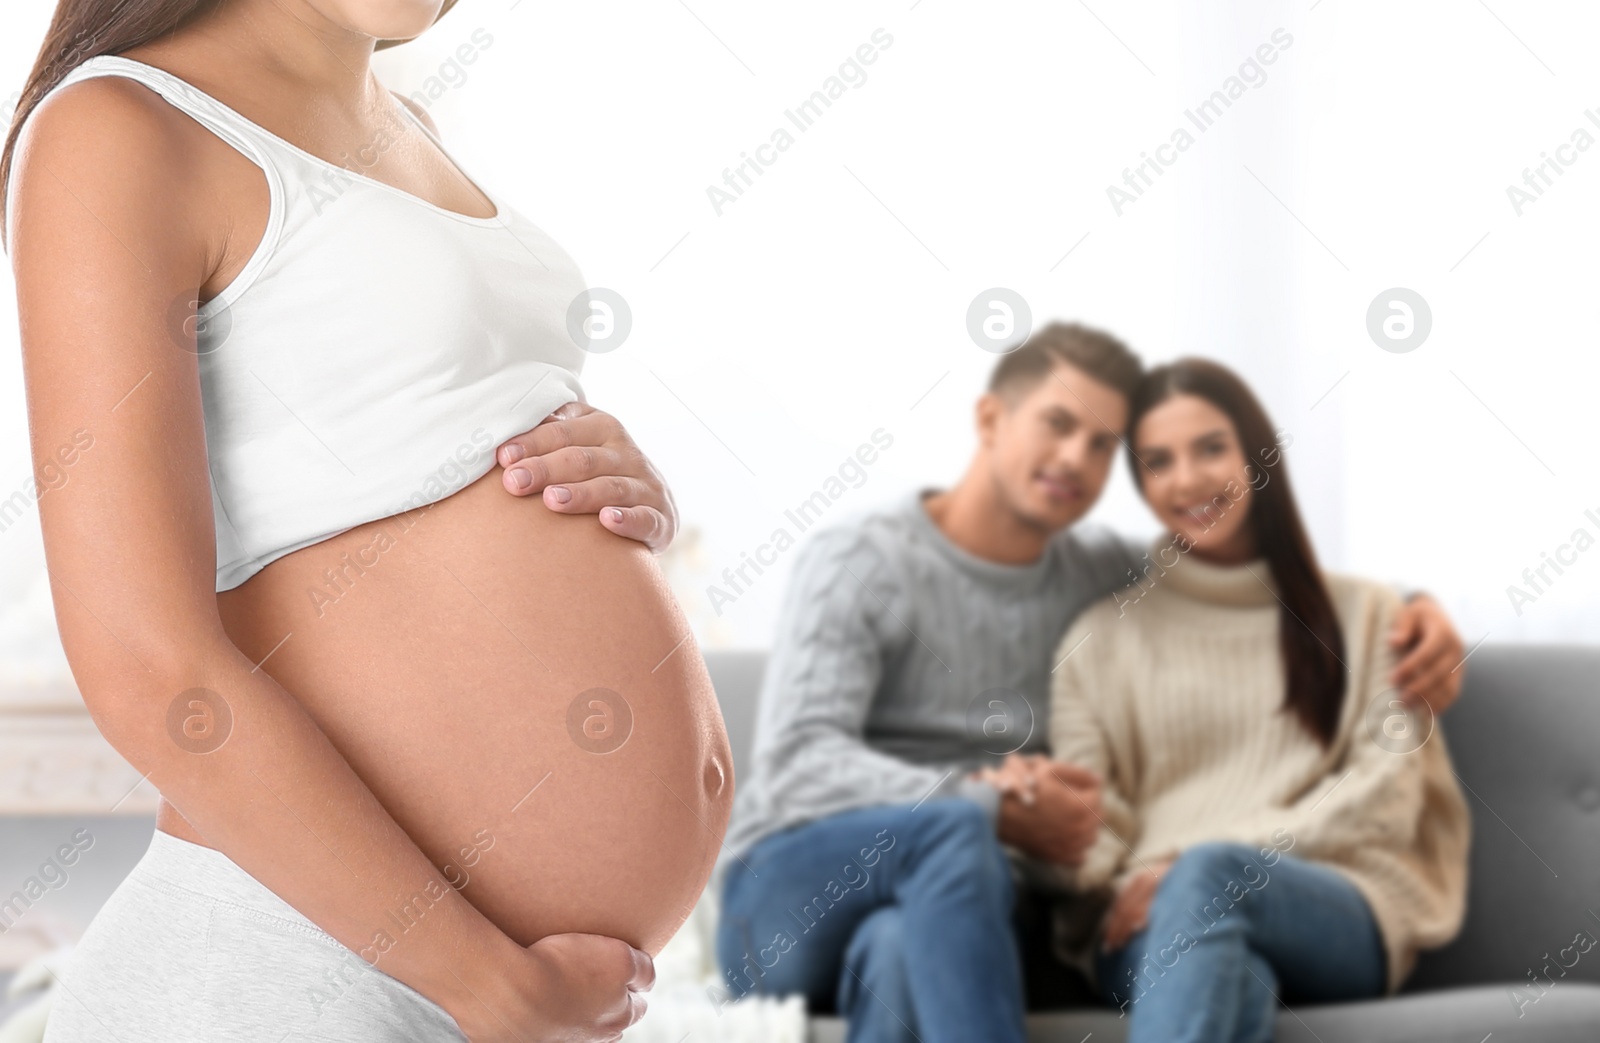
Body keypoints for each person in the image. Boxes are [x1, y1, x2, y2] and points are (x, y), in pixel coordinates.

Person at [4, 2, 732, 1041]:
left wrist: (626, 487)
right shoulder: (121, 125)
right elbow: (145, 663)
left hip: (484, 996)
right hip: (281, 973)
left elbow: (421, 447)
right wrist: (488, 985)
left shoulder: (414, 127)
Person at [712, 323, 1468, 1043]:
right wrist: (991, 801)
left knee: (898, 948)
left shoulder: (1101, 576)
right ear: (989, 418)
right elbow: (798, 762)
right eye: (1057, 423)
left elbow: (1234, 568)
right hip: (788, 896)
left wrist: (1421, 605)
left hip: (957, 905)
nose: (1076, 456)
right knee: (954, 831)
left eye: (1104, 443)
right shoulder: (861, 561)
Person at [1017, 356, 1470, 1042]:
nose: (1189, 478)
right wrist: (1025, 818)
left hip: (1334, 904)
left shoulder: (1374, 615)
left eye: (1211, 448)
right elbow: (1093, 823)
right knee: (1232, 973)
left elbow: (1386, 797)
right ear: (1140, 483)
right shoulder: (1098, 638)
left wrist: (1197, 859)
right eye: (1159, 461)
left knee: (1208, 876)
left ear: (1257, 455)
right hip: (1149, 918)